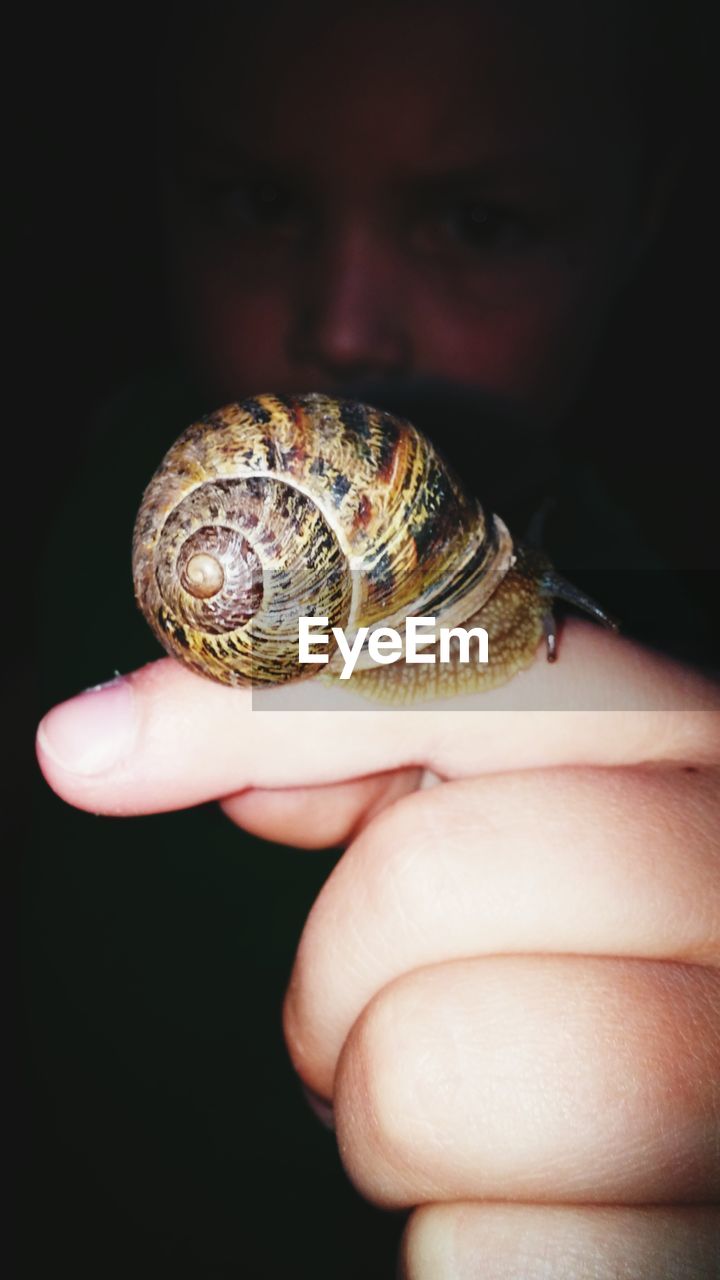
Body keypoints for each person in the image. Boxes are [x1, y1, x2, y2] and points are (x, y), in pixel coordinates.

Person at [35, 1, 719, 1275]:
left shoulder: (671, 629)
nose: (346, 330)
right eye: (254, 197)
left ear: (643, 223)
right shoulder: (53, 515)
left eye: (481, 222)